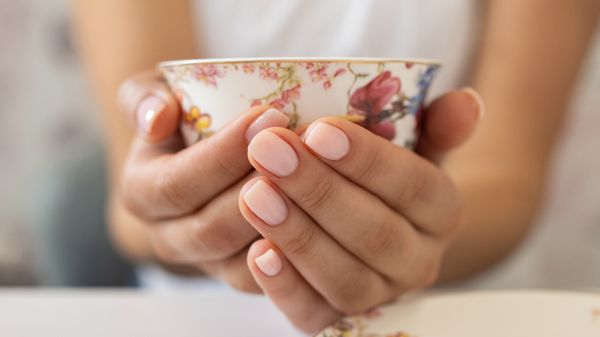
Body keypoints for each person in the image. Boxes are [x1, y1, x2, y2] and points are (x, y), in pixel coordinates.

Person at [71, 0, 599, 332]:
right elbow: (135, 205)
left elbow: (506, 181)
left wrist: (419, 238)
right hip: (201, 316)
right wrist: (164, 203)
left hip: (450, 309)